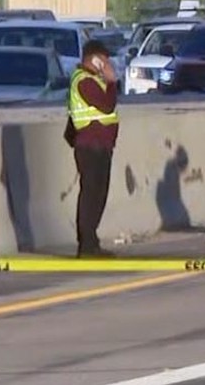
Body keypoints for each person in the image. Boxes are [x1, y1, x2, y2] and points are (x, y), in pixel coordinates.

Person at [64, 40, 119, 258]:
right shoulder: (84, 81)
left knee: (99, 194)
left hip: (101, 145)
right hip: (90, 146)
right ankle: (86, 245)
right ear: (93, 58)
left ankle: (92, 241)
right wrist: (112, 81)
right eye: (104, 59)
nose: (106, 64)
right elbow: (106, 105)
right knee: (91, 195)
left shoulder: (94, 79)